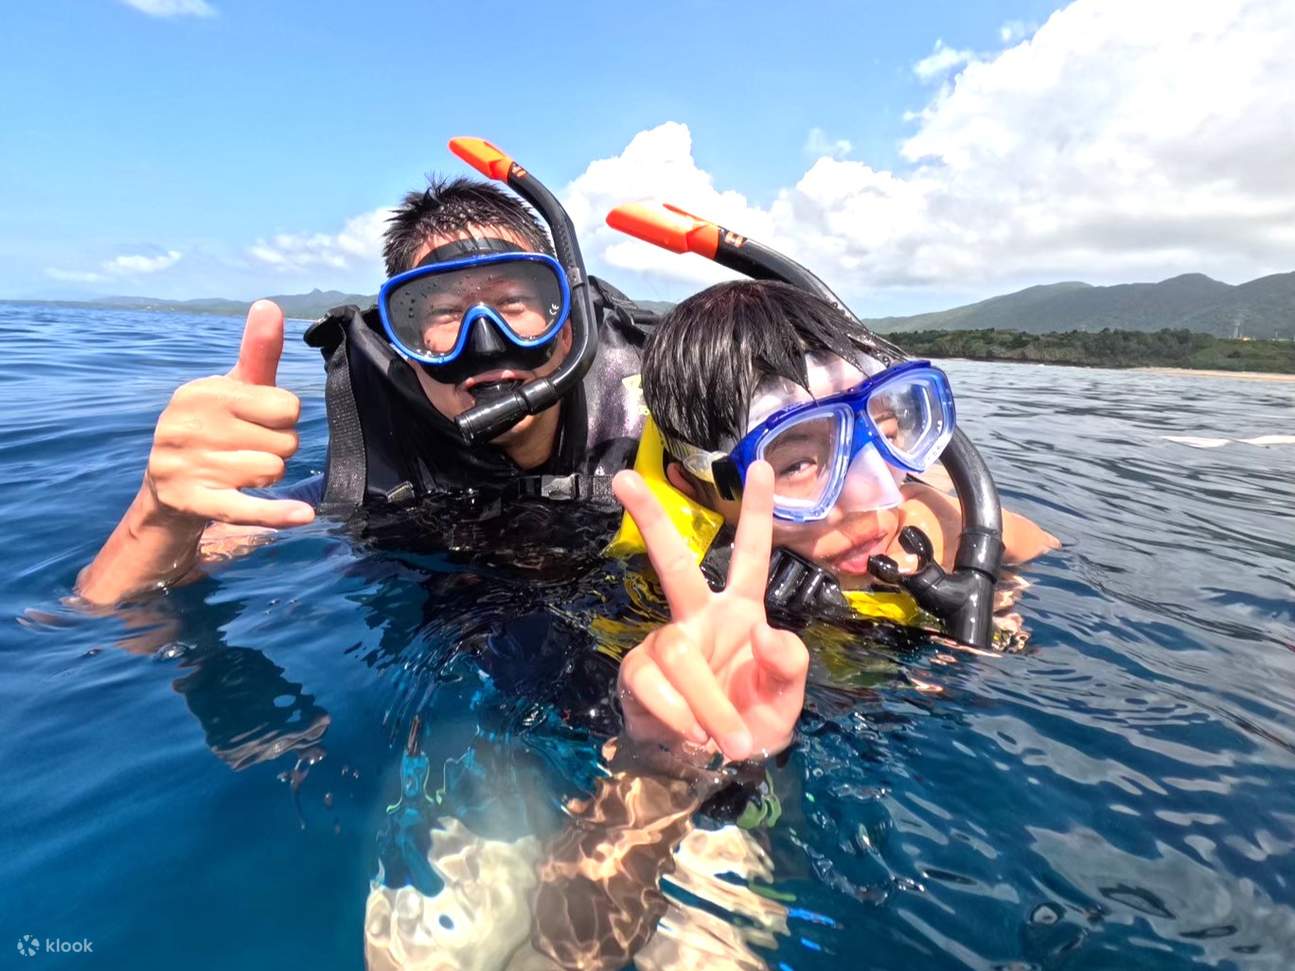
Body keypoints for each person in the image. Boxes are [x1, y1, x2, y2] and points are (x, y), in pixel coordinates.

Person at [76, 175, 653, 606]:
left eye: (514, 303)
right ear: (402, 345)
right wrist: (160, 514)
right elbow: (107, 612)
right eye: (444, 313)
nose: (485, 342)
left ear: (569, 320)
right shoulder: (370, 481)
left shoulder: (661, 435)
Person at [609, 279, 1060, 761]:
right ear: (694, 487)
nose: (875, 497)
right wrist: (661, 758)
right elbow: (617, 834)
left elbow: (1043, 550)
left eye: (886, 433)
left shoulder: (933, 522)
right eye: (798, 465)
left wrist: (1000, 587)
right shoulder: (658, 624)